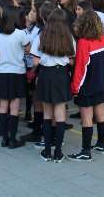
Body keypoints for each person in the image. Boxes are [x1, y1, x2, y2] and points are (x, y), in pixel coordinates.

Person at [32, 8, 75, 162]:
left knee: (47, 114)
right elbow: (72, 60)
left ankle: (47, 151)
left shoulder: (41, 36)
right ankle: (58, 152)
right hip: (62, 75)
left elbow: (35, 61)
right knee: (60, 113)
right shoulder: (69, 37)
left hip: (46, 74)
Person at [69, 10, 104, 162]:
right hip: (101, 82)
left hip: (87, 85)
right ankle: (101, 144)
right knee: (101, 114)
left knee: (86, 117)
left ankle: (85, 152)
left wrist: (75, 87)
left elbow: (81, 68)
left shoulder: (83, 42)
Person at [0, 6, 31, 148]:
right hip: (17, 72)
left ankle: (4, 138)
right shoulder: (21, 34)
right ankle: (12, 139)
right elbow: (28, 50)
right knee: (14, 106)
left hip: (2, 72)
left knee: (3, 105)